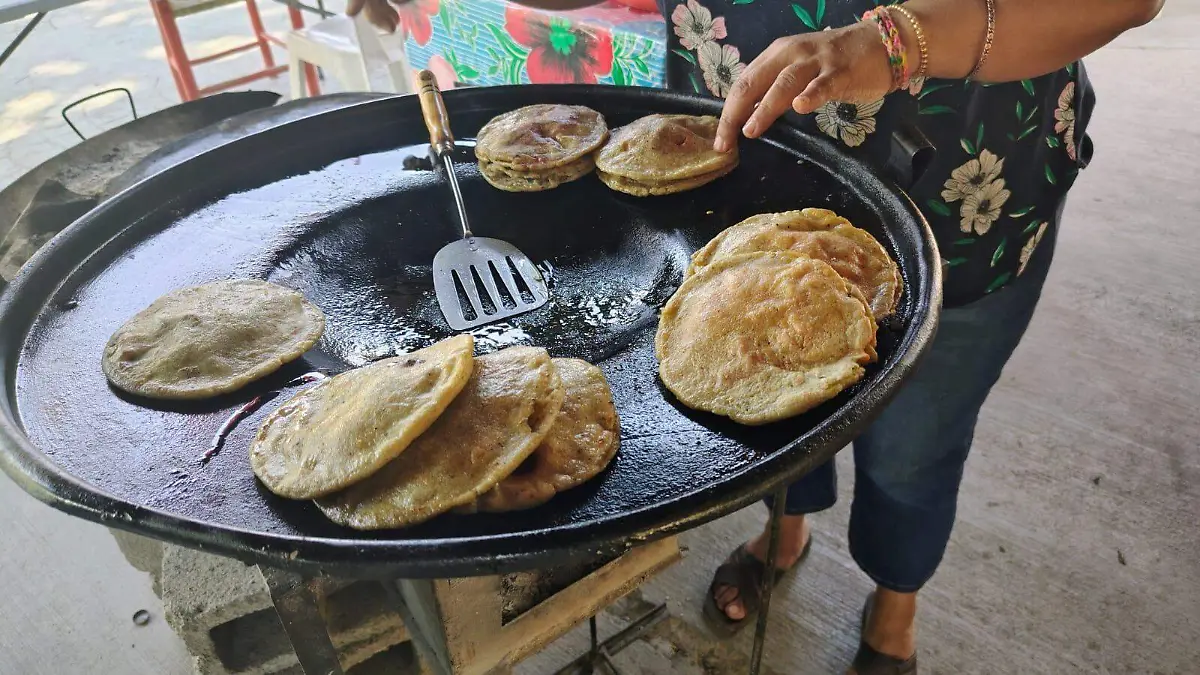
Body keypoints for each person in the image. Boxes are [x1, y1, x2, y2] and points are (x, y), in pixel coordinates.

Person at [353, 1, 1164, 672]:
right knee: (755, 384)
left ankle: (894, 609)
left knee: (918, 443)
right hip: (739, 145)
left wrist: (895, 42)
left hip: (964, 182)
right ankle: (784, 529)